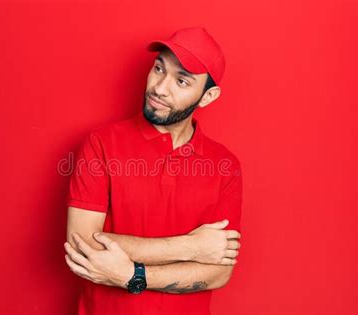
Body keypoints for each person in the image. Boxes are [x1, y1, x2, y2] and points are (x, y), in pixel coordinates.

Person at [64, 26, 243, 315]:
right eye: (159, 69)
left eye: (182, 81)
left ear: (208, 96)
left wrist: (131, 275)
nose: (159, 88)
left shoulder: (225, 166)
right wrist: (191, 248)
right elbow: (82, 244)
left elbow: (219, 272)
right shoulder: (102, 143)